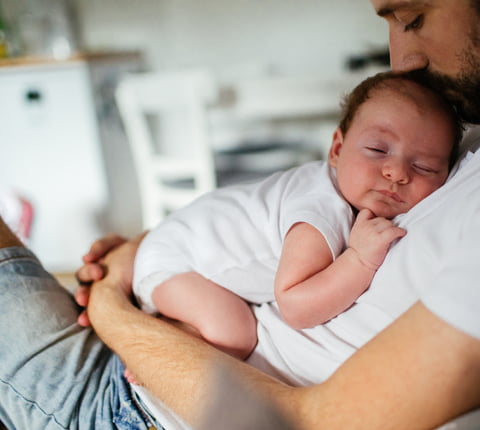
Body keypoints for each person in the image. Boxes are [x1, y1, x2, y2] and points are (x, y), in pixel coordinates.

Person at [0, 0, 480, 430]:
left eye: (412, 16)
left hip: (145, 420)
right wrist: (145, 252)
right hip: (166, 352)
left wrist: (112, 311)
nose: (403, 59)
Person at [128, 71, 459, 373]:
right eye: (377, 149)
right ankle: (154, 349)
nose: (397, 173)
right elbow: (296, 308)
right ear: (337, 150)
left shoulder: (345, 193)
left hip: (182, 240)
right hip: (174, 259)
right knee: (235, 334)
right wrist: (359, 259)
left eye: (426, 167)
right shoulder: (321, 210)